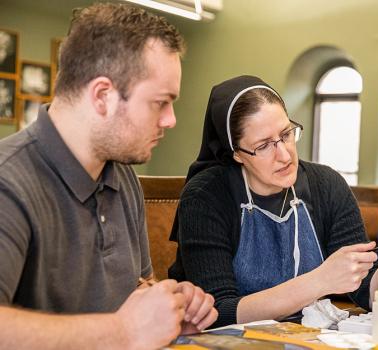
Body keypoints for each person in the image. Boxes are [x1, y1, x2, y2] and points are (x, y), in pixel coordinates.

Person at [0, 3, 217, 349]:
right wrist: (122, 331)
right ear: (103, 96)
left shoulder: (122, 177)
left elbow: (138, 289)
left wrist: (168, 308)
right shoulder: (9, 182)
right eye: (160, 102)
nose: (170, 120)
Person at [168, 75, 378, 327]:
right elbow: (220, 313)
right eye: (264, 146)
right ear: (236, 154)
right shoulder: (206, 195)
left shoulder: (326, 185)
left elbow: (370, 297)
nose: (285, 155)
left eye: (286, 135)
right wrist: (319, 281)